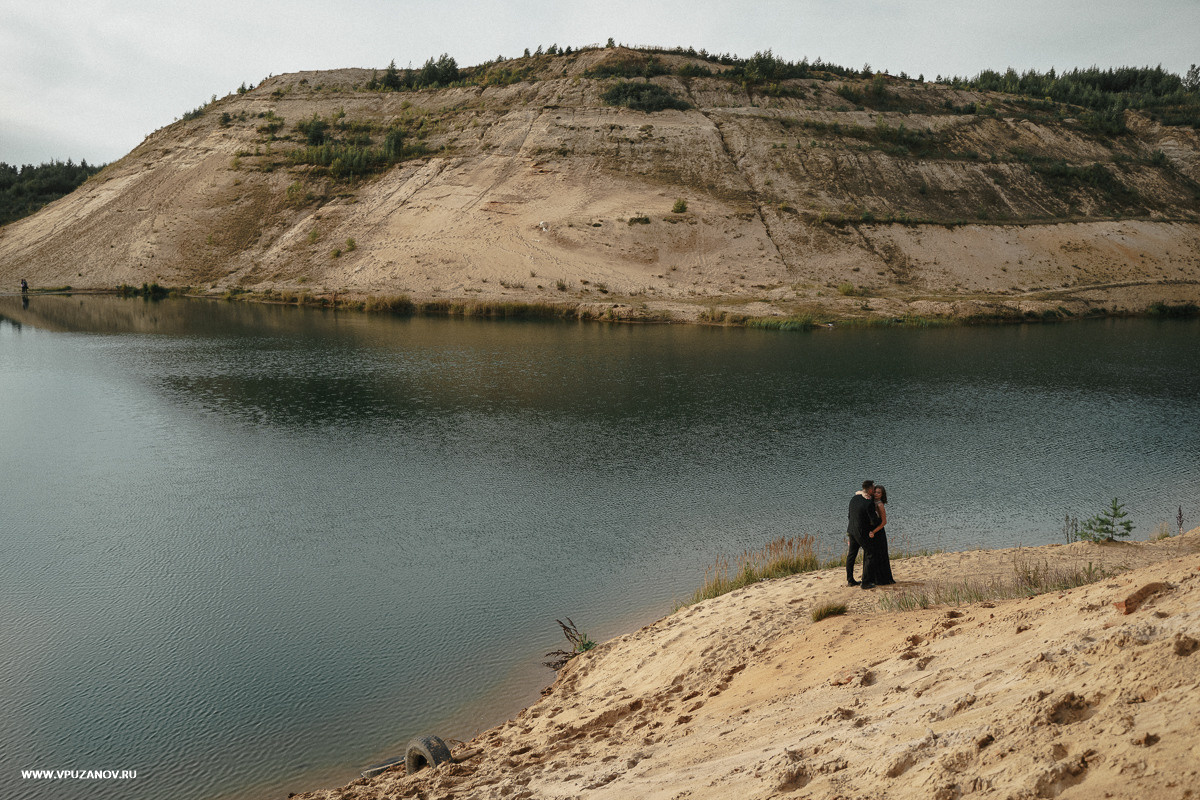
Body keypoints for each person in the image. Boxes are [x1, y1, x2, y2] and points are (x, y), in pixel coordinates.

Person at [846, 480, 877, 589]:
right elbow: (873, 521)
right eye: (873, 488)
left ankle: (850, 580)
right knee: (870, 553)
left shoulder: (854, 498)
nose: (874, 490)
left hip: (851, 530)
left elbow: (849, 515)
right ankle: (865, 582)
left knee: (851, 555)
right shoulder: (869, 503)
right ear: (869, 489)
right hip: (862, 532)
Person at [865, 485, 895, 585]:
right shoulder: (870, 502)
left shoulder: (880, 505)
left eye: (879, 493)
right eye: (875, 492)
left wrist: (874, 531)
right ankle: (872, 578)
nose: (876, 494)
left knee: (880, 555)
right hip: (871, 532)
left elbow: (884, 522)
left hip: (879, 532)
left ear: (882, 495)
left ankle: (882, 579)